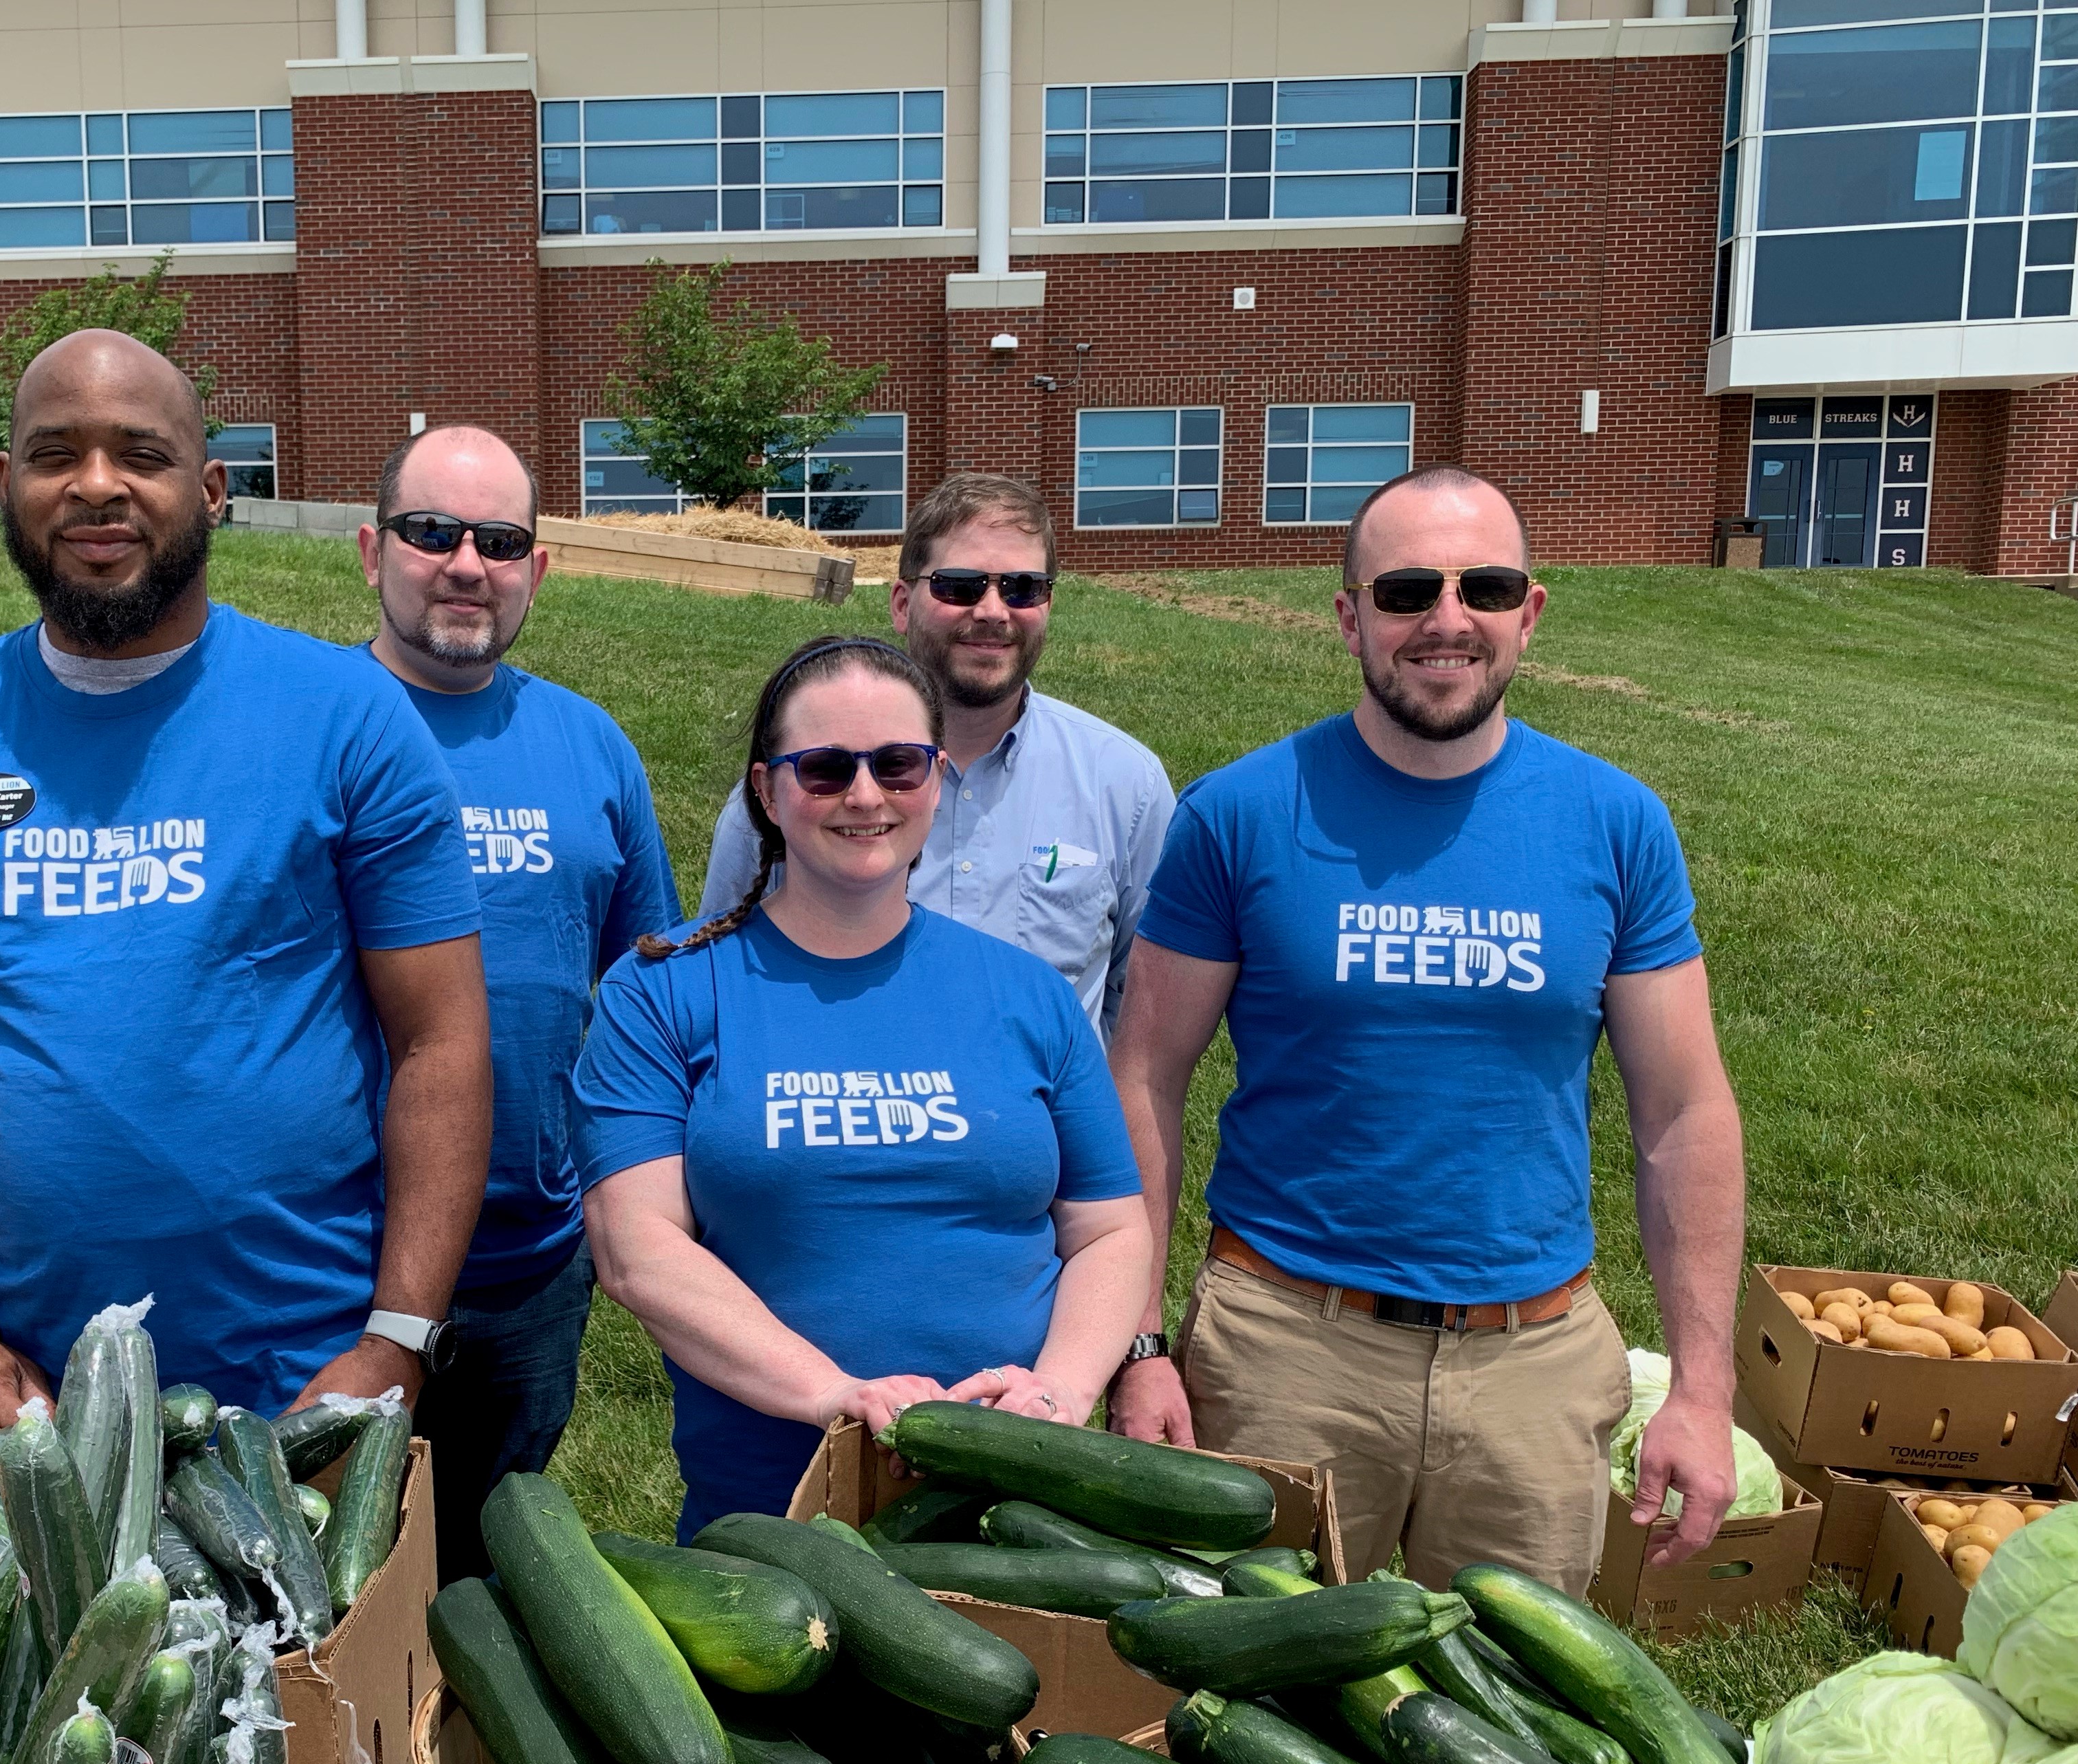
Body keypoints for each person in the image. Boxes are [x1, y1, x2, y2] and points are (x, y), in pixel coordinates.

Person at [0, 329, 493, 1479]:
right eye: (52, 453)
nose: (96, 485)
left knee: (325, 1667)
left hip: (307, 1383)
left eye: (142, 453)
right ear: (8, 485)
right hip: (20, 1401)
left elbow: (442, 1039)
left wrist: (399, 1335)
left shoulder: (349, 721)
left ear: (211, 490)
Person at [1105, 465, 1745, 1594]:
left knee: (1515, 1735)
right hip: (1284, 1347)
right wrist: (1140, 1343)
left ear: (1528, 613)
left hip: (1532, 1363)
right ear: (1349, 614)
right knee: (1256, 1717)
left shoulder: (1614, 823)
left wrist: (1702, 1385)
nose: (1446, 620)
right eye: (1405, 591)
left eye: (1483, 587)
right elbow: (1145, 1076)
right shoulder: (1241, 813)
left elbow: (1683, 1113)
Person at [579, 636, 1153, 1537]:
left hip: (1024, 1517)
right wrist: (835, 1395)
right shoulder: (666, 991)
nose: (865, 795)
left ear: (934, 778)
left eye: (898, 765)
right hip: (774, 1519)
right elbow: (635, 1249)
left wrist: (1060, 1392)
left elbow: (1112, 1231)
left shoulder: (1027, 993)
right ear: (767, 791)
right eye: (824, 769)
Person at [356, 425, 681, 1580]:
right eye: (431, 532)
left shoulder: (590, 747)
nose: (464, 563)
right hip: (335, 1256)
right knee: (321, 1584)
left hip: (531, 1264)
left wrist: (623, 1195)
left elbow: (649, 987)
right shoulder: (307, 724)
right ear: (371, 550)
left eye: (498, 540)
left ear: (537, 569)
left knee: (494, 1582)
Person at [696, 473, 1173, 1039]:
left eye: (1023, 587)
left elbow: (1139, 1013)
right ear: (902, 603)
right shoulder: (805, 786)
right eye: (961, 585)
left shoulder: (1126, 785)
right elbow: (722, 978)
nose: (995, 610)